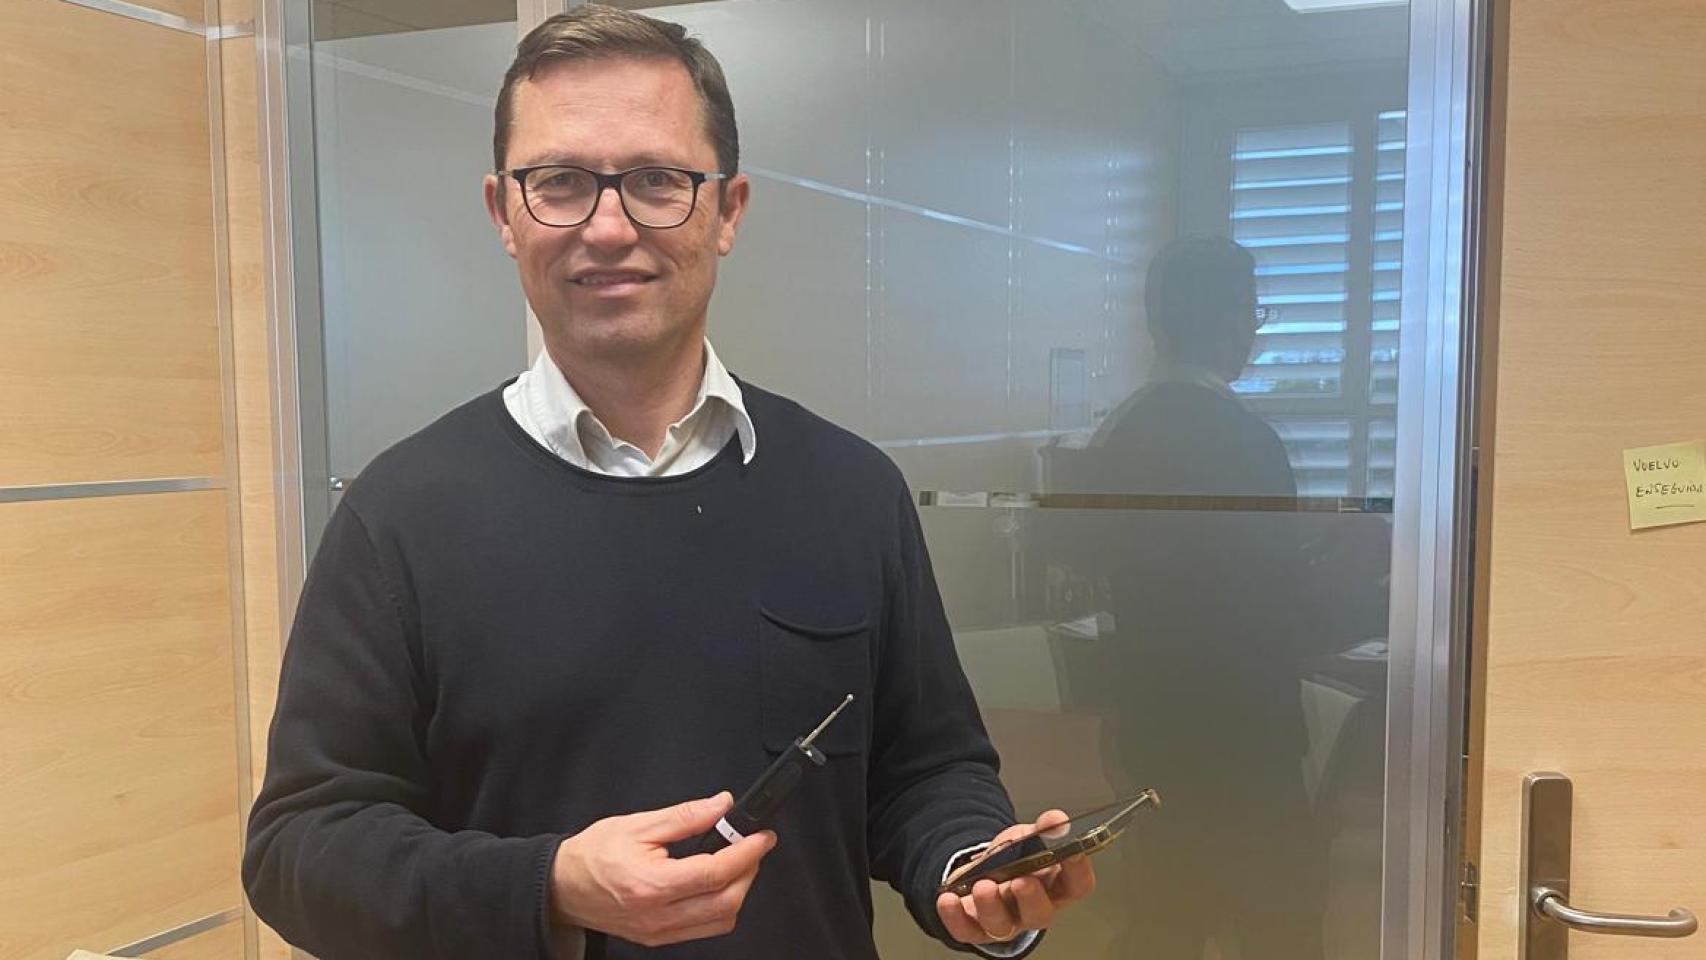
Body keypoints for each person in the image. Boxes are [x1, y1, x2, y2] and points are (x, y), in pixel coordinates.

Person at [242, 6, 1094, 959]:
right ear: (503, 214)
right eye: (560, 182)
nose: (608, 227)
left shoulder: (851, 490)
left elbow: (927, 767)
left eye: (656, 181)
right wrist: (551, 886)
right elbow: (298, 852)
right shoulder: (399, 513)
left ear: (728, 210)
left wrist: (968, 868)